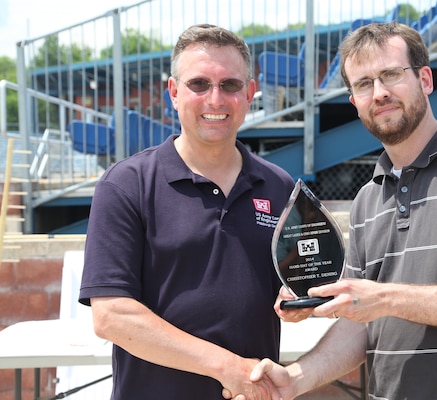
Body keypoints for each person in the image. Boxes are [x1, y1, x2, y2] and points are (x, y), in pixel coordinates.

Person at [233, 21, 437, 399]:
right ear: (354, 102)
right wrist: (296, 379)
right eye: (364, 84)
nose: (380, 93)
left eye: (391, 74)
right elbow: (362, 325)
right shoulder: (369, 199)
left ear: (425, 79)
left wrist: (382, 297)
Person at [79, 24, 295, 400]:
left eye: (229, 85)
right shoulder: (126, 185)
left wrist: (296, 295)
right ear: (174, 92)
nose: (215, 99)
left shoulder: (279, 187)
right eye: (199, 84)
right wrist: (227, 366)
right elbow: (112, 315)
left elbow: (293, 281)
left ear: (249, 93)